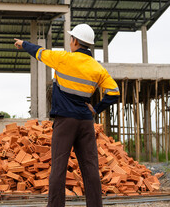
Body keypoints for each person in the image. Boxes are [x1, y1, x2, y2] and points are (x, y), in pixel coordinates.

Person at [14, 23, 120, 207]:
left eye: (71, 38)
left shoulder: (62, 58)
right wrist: (95, 109)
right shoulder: (97, 68)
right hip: (86, 122)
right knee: (90, 167)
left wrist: (23, 44)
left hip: (65, 122)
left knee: (59, 167)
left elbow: (39, 52)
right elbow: (114, 93)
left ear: (75, 41)